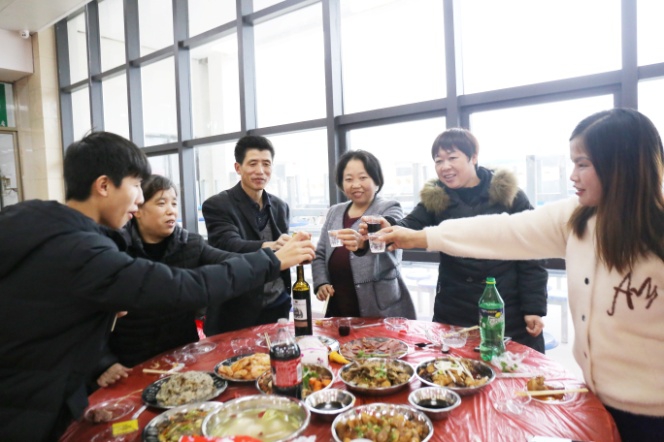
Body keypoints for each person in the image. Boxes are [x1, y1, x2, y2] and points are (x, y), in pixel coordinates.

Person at [0, 131, 314, 442]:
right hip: (28, 413)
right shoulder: (84, 250)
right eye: (137, 185)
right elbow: (185, 286)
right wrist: (272, 259)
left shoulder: (31, 221)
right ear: (104, 186)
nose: (139, 199)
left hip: (50, 396)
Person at [379, 109, 664, 441]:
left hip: (654, 410)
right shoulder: (576, 217)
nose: (573, 176)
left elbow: (529, 262)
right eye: (573, 163)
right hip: (594, 394)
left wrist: (533, 307)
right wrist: (419, 237)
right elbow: (503, 232)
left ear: (622, 165)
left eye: (583, 164)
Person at [365, 128, 548, 352]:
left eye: (452, 158)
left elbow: (532, 250)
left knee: (509, 366)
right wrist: (389, 227)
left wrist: (533, 307)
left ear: (473, 157)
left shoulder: (509, 195)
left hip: (505, 306)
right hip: (454, 307)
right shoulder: (436, 197)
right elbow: (410, 224)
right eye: (438, 161)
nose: (445, 167)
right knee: (451, 367)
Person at [94, 174, 243, 389]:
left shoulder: (190, 244)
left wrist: (272, 257)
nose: (171, 210)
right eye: (161, 203)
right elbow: (90, 315)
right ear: (138, 209)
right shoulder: (115, 250)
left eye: (174, 203)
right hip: (130, 365)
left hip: (183, 359)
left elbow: (231, 262)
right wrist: (104, 362)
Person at [202, 135, 293, 334]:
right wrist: (273, 246)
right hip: (236, 309)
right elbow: (228, 244)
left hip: (277, 303)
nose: (260, 171)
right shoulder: (217, 204)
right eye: (253, 164)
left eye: (266, 164)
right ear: (238, 168)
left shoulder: (280, 206)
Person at [311, 150, 416, 318]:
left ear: (376, 180)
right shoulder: (334, 212)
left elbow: (389, 233)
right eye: (348, 179)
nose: (355, 184)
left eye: (363, 177)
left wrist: (363, 243)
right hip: (339, 303)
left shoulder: (390, 207)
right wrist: (321, 282)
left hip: (379, 306)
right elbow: (320, 253)